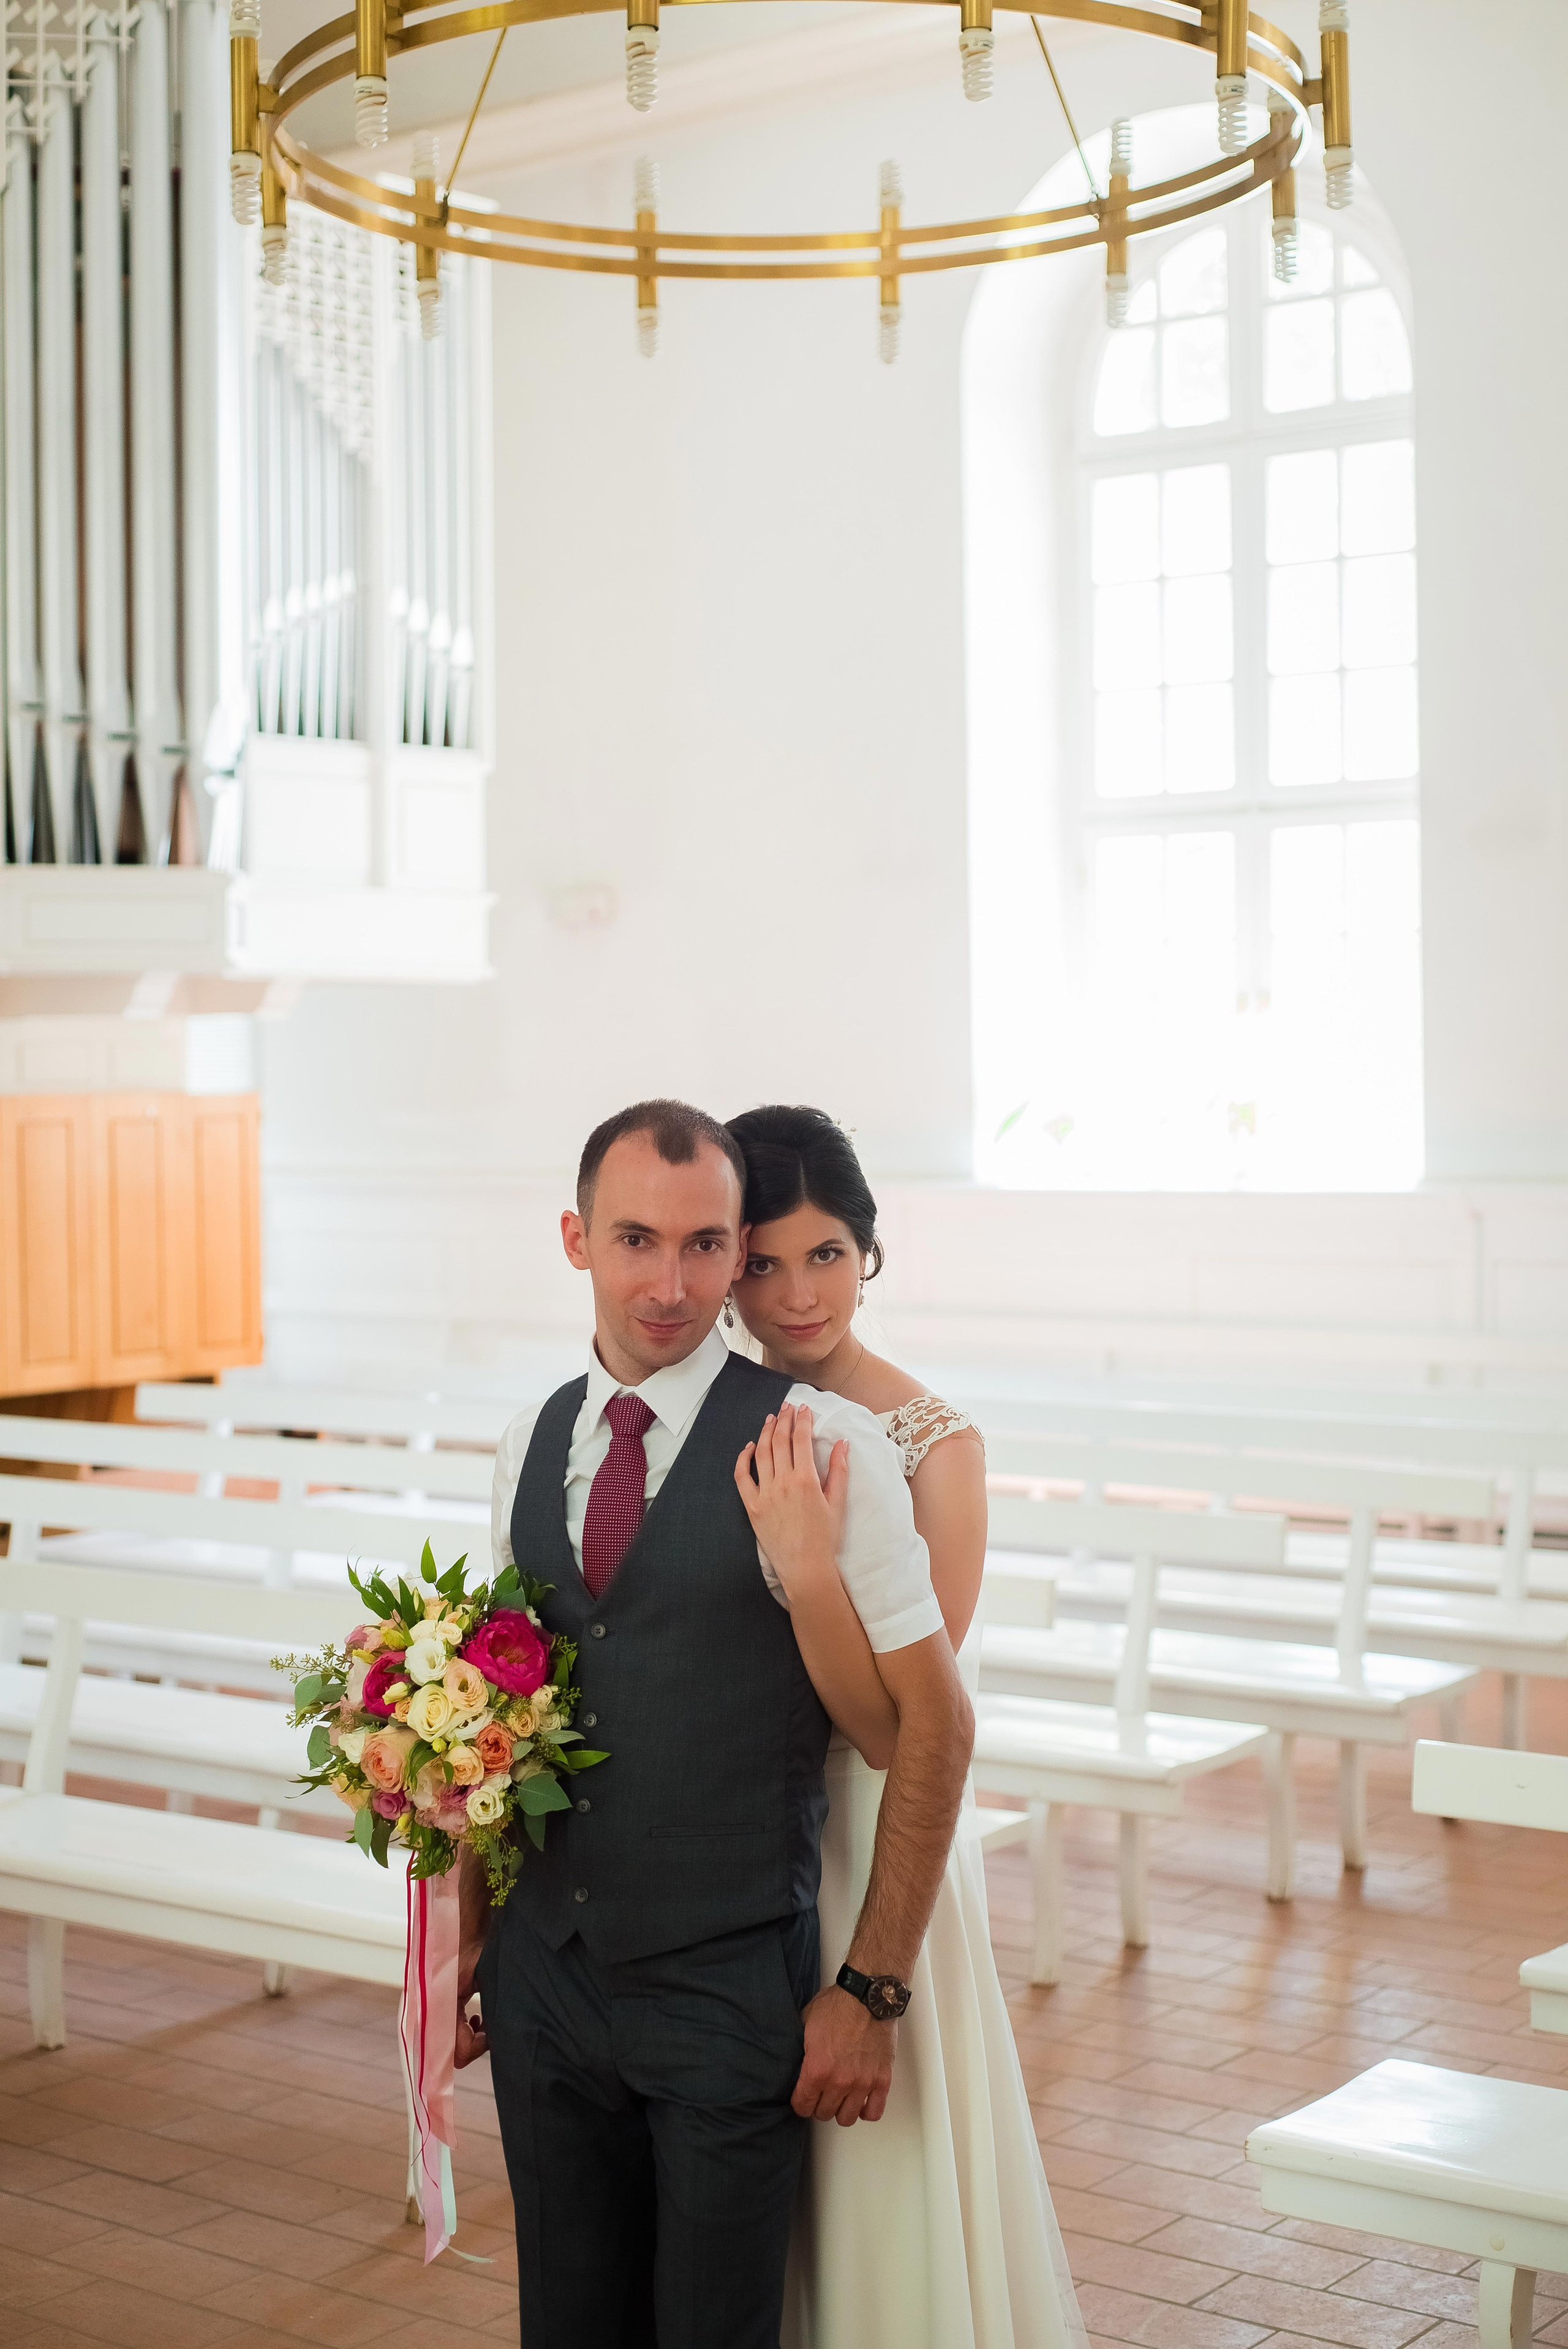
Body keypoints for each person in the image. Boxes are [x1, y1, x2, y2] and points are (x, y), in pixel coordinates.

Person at [463, 1098, 974, 2349]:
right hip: (543, 1987)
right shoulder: (527, 1438)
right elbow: (492, 1711)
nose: (672, 1281)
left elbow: (933, 1726)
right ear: (576, 1239)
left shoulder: (833, 1445)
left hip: (725, 1990)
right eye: (637, 1239)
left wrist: (869, 1988)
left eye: (705, 1246)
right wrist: (470, 1943)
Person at [725, 1103, 1088, 2349]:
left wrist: (810, 1569)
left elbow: (896, 1724)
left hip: (871, 1837)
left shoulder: (934, 1445)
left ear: (866, 1252)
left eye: (825, 1254)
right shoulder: (711, 1414)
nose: (795, 1294)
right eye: (763, 1261)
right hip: (732, 1830)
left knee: (871, 2181)